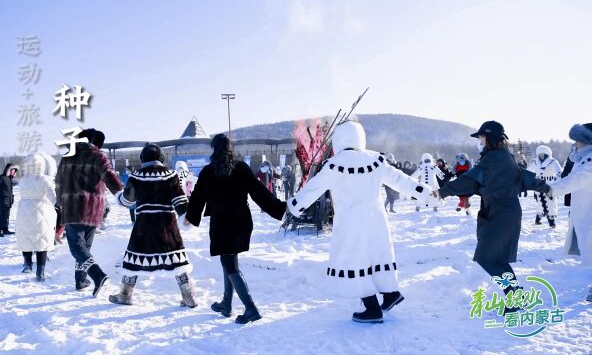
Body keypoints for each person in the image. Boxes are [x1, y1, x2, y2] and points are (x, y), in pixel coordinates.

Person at [288, 121, 432, 323]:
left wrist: (295, 205)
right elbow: (400, 180)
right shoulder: (376, 159)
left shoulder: (335, 164)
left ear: (338, 139)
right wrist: (423, 192)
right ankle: (390, 294)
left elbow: (313, 188)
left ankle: (372, 309)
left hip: (351, 223)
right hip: (376, 220)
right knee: (378, 257)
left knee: (355, 261)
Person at [436, 121, 550, 311]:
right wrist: (545, 187)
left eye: (481, 136)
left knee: (486, 258)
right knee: (496, 259)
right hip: (503, 212)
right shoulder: (502, 157)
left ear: (488, 137)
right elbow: (522, 176)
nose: (479, 140)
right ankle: (516, 298)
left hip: (501, 213)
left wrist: (443, 192)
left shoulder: (494, 159)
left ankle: (515, 297)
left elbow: (469, 180)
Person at [185, 134, 286, 324]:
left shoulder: (209, 171)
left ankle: (251, 309)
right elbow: (259, 191)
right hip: (241, 222)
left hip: (223, 223)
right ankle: (226, 303)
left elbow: (198, 196)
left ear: (214, 149)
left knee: (229, 263)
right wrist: (279, 208)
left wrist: (191, 217)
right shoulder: (241, 168)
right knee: (229, 260)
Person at [111, 144, 197, 307]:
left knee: (132, 260)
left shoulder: (136, 176)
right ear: (161, 158)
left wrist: (118, 196)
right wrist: (187, 217)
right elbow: (180, 202)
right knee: (178, 261)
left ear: (143, 158)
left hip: (144, 226)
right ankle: (189, 296)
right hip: (167, 226)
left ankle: (125, 294)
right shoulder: (171, 175)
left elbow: (127, 201)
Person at [55, 128, 124, 297]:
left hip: (73, 206)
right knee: (84, 246)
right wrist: (122, 194)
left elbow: (59, 182)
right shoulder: (99, 156)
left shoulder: (68, 156)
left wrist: (59, 202)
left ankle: (97, 275)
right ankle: (80, 280)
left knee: (77, 247)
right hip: (94, 209)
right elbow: (110, 176)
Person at [547, 123, 592, 302]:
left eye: (578, 141)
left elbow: (573, 181)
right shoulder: (582, 158)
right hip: (584, 210)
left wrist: (547, 189)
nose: (575, 145)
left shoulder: (589, 162)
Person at [15, 153, 58, 282]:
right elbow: (53, 198)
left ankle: (27, 264)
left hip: (23, 211)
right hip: (41, 211)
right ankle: (40, 272)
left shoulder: (22, 180)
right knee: (41, 242)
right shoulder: (45, 179)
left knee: (26, 238)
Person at [527, 145, 563, 228]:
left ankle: (551, 220)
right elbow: (528, 171)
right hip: (538, 186)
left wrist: (557, 182)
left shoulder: (553, 161)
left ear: (547, 154)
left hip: (549, 185)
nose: (541, 156)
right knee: (540, 203)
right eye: (540, 154)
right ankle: (538, 218)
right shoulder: (535, 162)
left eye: (543, 154)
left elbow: (559, 172)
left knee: (551, 203)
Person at [0, 163, 19, 236]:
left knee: (7, 215)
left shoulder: (9, 179)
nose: (14, 172)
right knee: (2, 215)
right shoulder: (1, 178)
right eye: (12, 170)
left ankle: (5, 229)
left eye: (14, 171)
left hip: (9, 200)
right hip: (2, 200)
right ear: (8, 170)